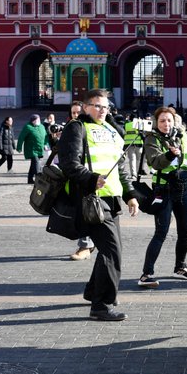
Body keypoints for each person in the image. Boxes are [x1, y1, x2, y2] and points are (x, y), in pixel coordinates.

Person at [57, 89, 138, 322]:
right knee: (113, 252)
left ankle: (94, 292)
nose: (103, 110)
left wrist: (130, 193)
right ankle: (101, 305)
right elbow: (69, 164)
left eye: (106, 107)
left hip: (110, 198)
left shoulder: (111, 129)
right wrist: (92, 178)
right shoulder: (76, 128)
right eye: (97, 106)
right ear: (85, 107)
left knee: (109, 250)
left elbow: (120, 165)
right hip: (90, 198)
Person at [137, 105, 187, 288]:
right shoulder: (152, 138)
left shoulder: (183, 136)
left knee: (185, 230)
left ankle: (180, 267)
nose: (166, 124)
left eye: (169, 120)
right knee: (161, 232)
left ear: (174, 121)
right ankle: (146, 274)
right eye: (162, 121)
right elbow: (155, 162)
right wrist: (169, 154)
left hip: (183, 190)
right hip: (163, 190)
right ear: (157, 122)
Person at [67, 101, 97, 261]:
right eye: (73, 113)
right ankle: (88, 243)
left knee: (87, 212)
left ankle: (86, 245)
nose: (76, 116)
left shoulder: (91, 129)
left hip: (91, 177)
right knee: (81, 212)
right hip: (76, 178)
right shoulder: (71, 129)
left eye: (78, 112)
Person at [16, 114, 47, 184]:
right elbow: (21, 137)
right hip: (31, 149)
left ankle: (30, 179)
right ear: (32, 121)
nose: (38, 121)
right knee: (36, 163)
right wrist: (19, 147)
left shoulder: (42, 126)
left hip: (39, 148)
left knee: (33, 164)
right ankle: (38, 178)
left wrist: (45, 144)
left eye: (38, 119)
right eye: (36, 119)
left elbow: (46, 136)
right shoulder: (28, 127)